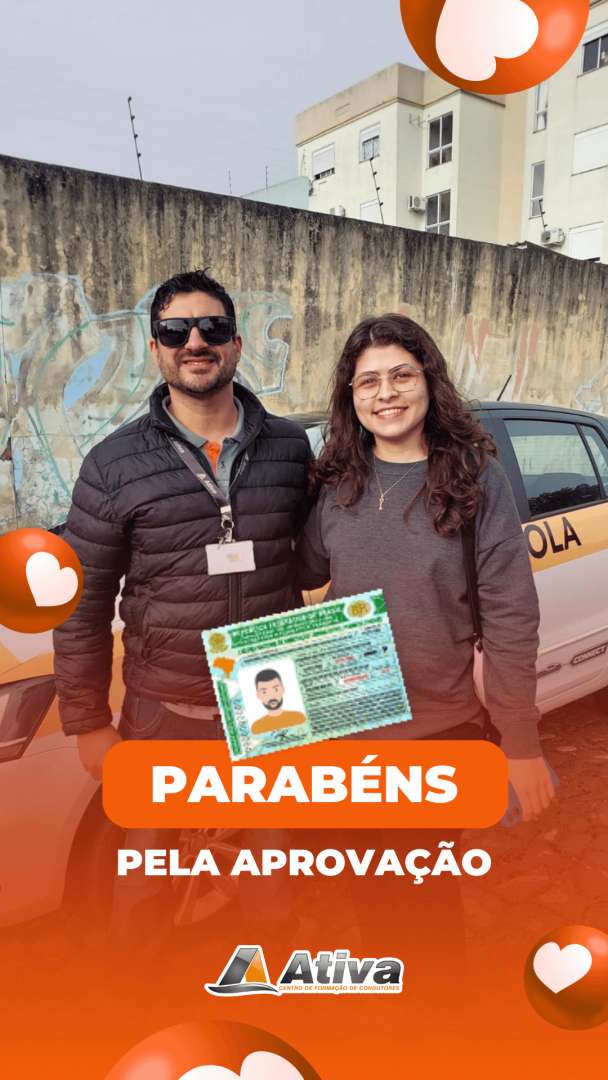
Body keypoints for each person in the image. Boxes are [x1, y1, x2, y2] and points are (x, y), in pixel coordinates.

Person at [295, 314, 556, 990]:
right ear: (351, 395)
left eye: (401, 376)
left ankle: (438, 1019)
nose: (386, 393)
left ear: (429, 382)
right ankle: (396, 1010)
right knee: (369, 891)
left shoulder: (475, 481)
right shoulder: (336, 483)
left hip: (436, 732)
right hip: (346, 729)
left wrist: (520, 741)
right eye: (368, 381)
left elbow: (511, 617)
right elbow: (308, 569)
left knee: (423, 900)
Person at [52, 268, 311, 945]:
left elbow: (314, 557)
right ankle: (138, 993)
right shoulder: (112, 464)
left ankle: (267, 983)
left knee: (273, 876)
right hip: (163, 714)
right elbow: (81, 600)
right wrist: (87, 721)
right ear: (156, 348)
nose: (195, 341)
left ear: (237, 343)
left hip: (269, 707)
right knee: (142, 884)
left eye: (212, 327)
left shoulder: (290, 448)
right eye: (175, 330)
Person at [251, 669, 307, 734]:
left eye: (276, 689)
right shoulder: (257, 727)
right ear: (258, 695)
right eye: (264, 692)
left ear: (283, 689)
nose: (271, 696)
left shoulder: (298, 718)